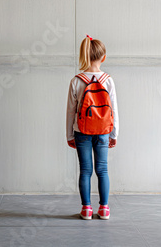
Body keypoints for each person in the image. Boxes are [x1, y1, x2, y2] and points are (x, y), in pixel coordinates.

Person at [66, 35, 119, 220]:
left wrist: (69, 135)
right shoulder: (108, 80)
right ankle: (104, 209)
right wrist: (114, 133)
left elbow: (70, 112)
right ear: (103, 57)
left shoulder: (76, 80)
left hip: (82, 131)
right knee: (103, 170)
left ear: (85, 56)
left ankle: (86, 209)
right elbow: (114, 110)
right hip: (104, 131)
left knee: (85, 171)